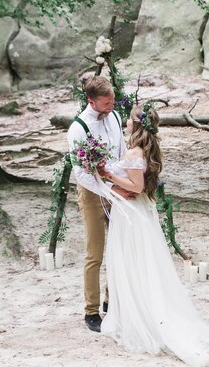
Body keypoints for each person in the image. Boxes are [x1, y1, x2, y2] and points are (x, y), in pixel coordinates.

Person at [97, 104, 209, 367]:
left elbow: (136, 186)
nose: (126, 124)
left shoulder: (133, 152)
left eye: (129, 120)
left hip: (131, 216)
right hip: (137, 212)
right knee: (140, 262)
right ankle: (135, 312)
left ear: (136, 125)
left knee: (132, 262)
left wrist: (108, 176)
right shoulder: (145, 149)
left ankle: (139, 319)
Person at [66, 76, 136, 333]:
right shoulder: (78, 129)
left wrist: (123, 183)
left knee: (118, 247)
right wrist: (109, 189)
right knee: (95, 252)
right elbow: (81, 173)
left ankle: (111, 301)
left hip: (115, 188)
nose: (111, 106)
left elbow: (119, 152)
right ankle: (91, 311)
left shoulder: (115, 116)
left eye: (112, 101)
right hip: (93, 193)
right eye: (106, 103)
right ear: (91, 101)